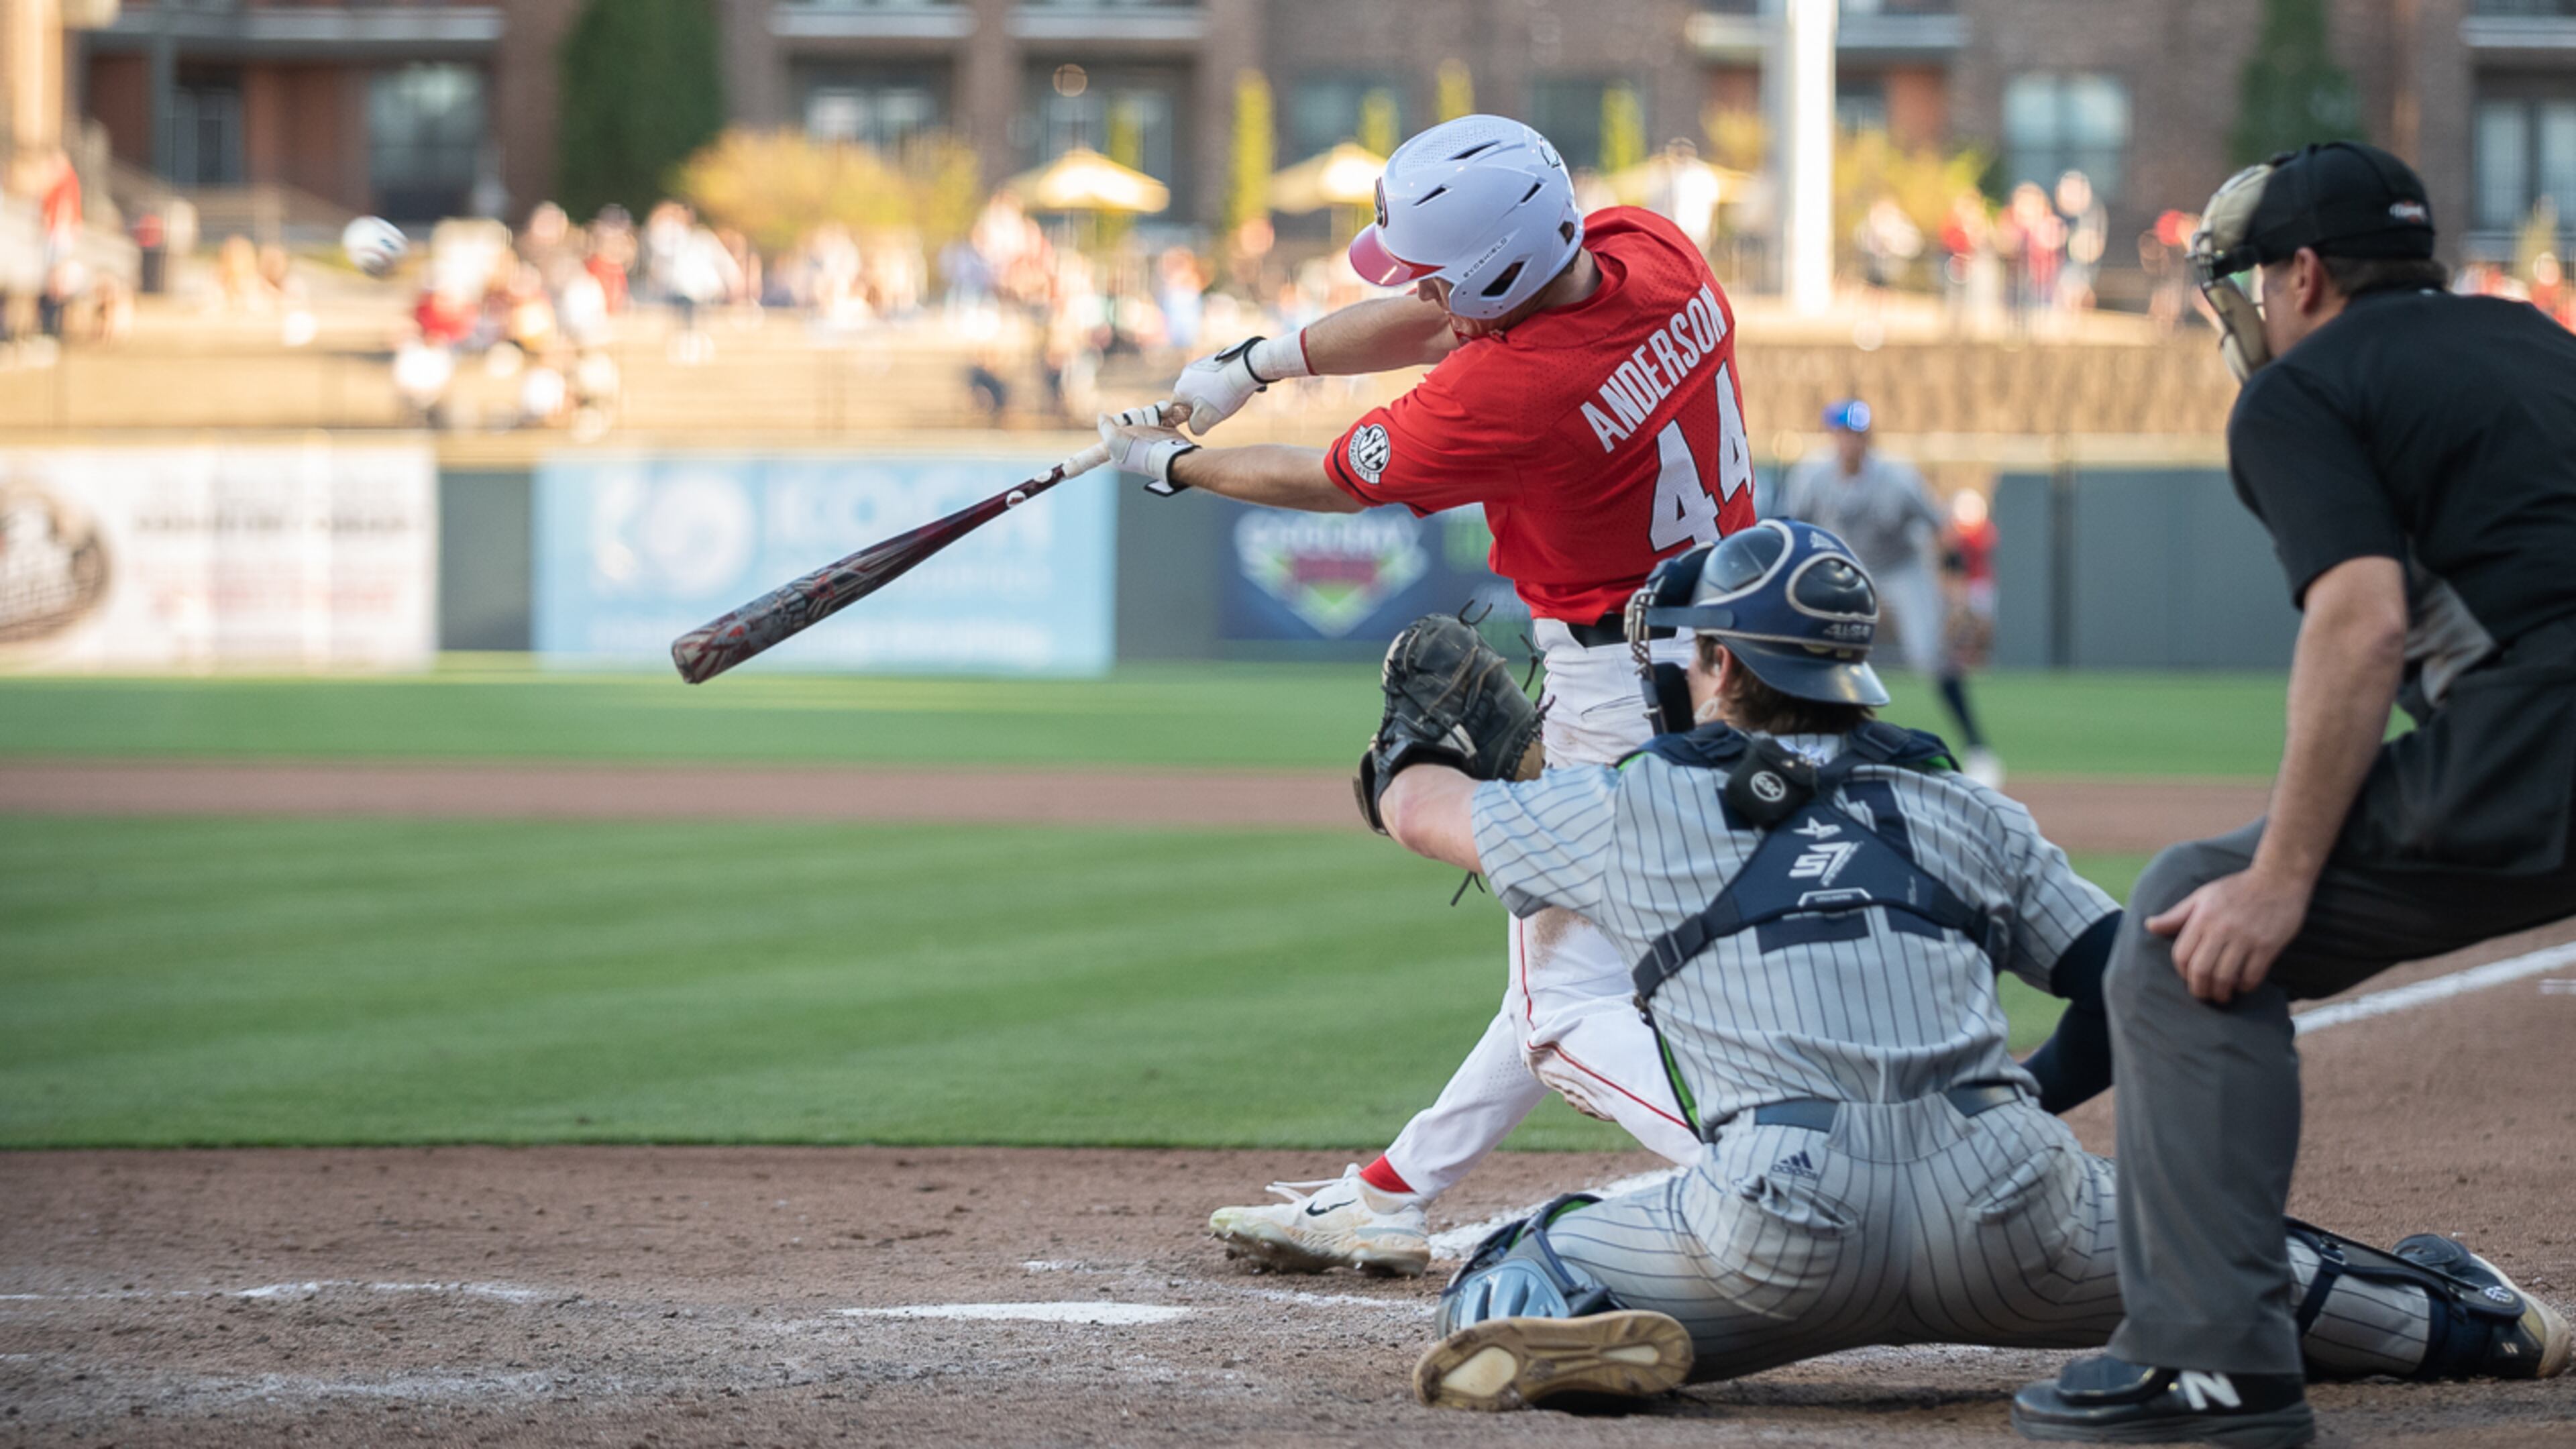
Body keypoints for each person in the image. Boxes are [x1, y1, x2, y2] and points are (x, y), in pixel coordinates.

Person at [1356, 520, 2567, 1415]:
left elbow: (1423, 813)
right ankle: (2464, 1324)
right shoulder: (1959, 805)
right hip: (2013, 1204)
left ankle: (1550, 1336)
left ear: (1722, 667)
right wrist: (2027, 1105)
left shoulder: (1630, 807)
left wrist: (1410, 738)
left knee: (1532, 1255)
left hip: (1776, 1230)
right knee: (2241, 1267)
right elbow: (2118, 981)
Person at [1095, 114, 1760, 1275]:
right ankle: (1392, 1192)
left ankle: (1750, 1181)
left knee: (1563, 1004)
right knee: (1559, 964)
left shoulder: (1516, 390)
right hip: (1740, 650)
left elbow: (1331, 477)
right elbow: (1446, 309)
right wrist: (1255, 364)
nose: (1420, 294)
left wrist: (1175, 466)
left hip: (1624, 681)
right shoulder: (1652, 249)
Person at [2008, 142, 2576, 1448]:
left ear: (2305, 274)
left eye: (2253, 283)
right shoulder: (2537, 339)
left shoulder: (2301, 388)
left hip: (2540, 737)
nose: (2247, 310)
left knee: (2184, 929)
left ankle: (2212, 1367)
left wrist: (2276, 882)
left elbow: (2362, 624)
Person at [1774, 400, 2001, 785]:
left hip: (1903, 569)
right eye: (1842, 433)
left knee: (1930, 655)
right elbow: (1786, 527)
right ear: (1832, 437)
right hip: (1847, 566)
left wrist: (1958, 594)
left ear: (1868, 438)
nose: (1849, 442)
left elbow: (1943, 529)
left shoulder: (1897, 478)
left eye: (1857, 434)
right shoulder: (1812, 475)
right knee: (1823, 650)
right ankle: (1822, 742)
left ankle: (1978, 748)